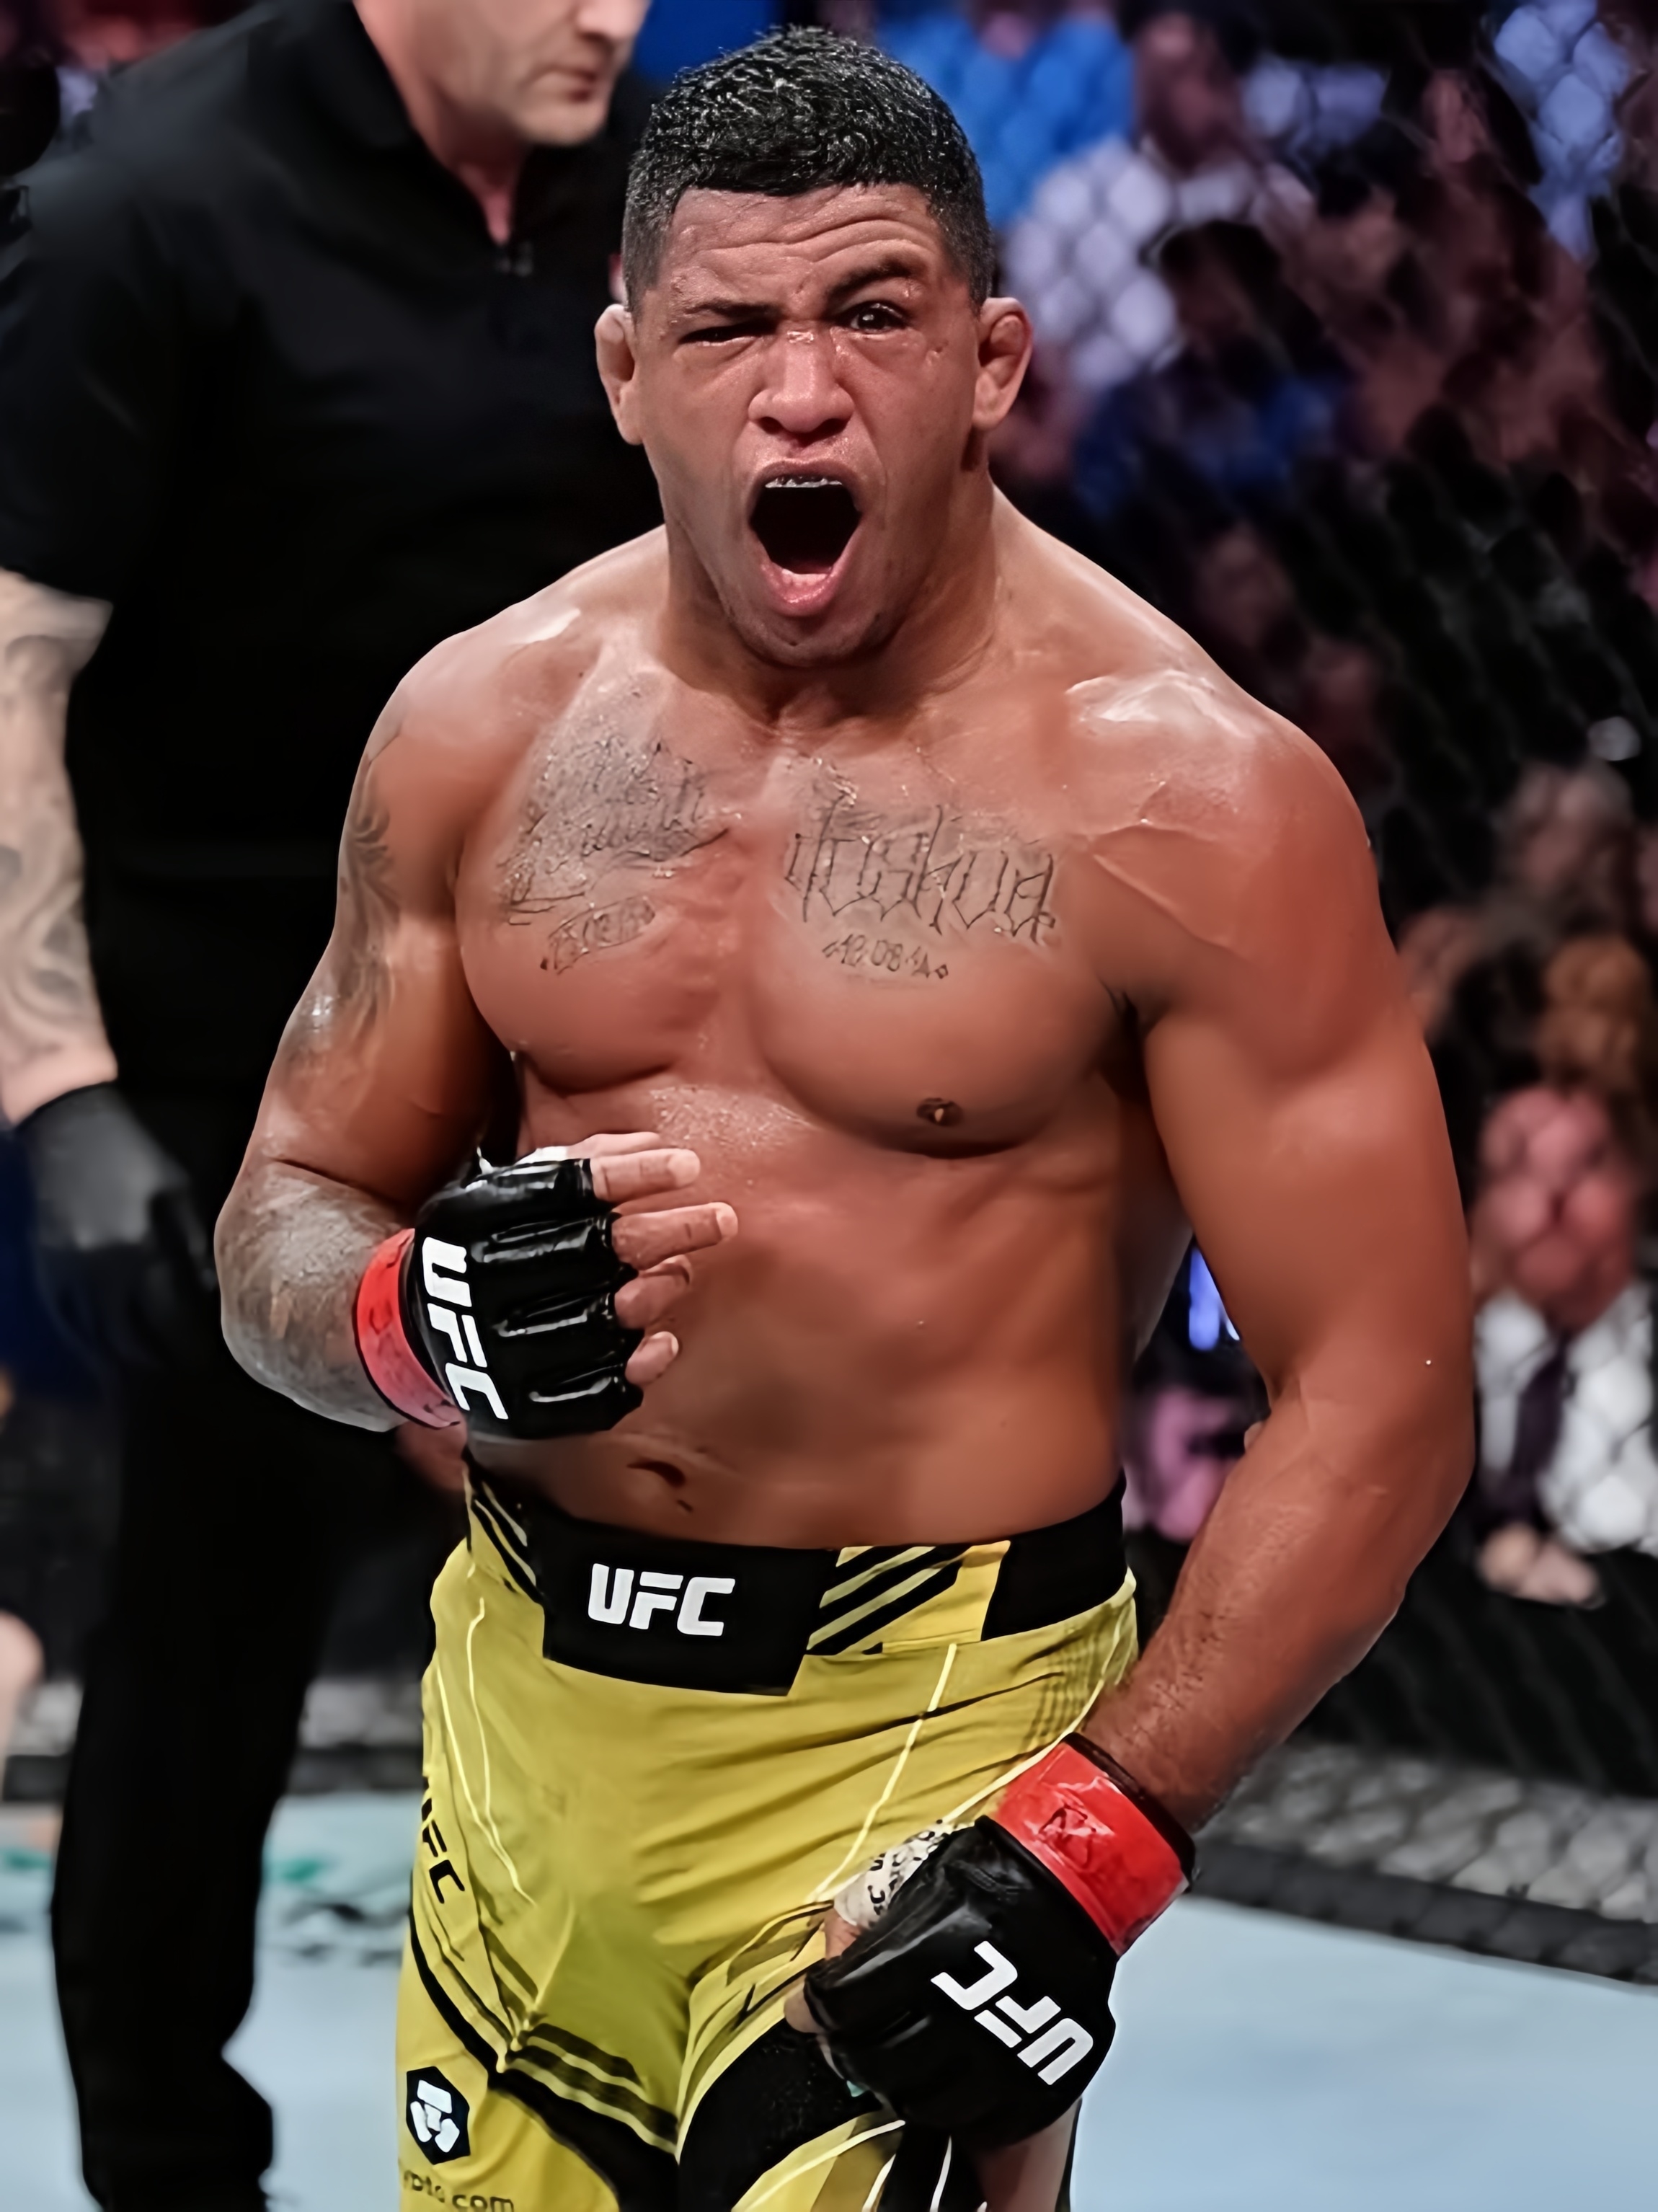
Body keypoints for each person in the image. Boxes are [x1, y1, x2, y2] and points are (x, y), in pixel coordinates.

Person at [218, 31, 1473, 2212]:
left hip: (912, 1751)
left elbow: (1382, 1392)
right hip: (520, 1722)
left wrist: (1097, 1835)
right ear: (628, 372)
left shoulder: (1186, 794)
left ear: (991, 361)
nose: (800, 394)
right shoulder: (477, 728)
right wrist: (411, 1319)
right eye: (729, 329)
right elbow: (283, 1217)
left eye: (871, 314)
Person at [0, 0, 658, 2204]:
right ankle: (169, 2165)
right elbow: (11, 659)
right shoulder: (148, 204)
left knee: (658, 1577)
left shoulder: (663, 183)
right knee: (209, 1634)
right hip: (234, 1047)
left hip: (585, 1013)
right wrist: (60, 1085)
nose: (611, 11)